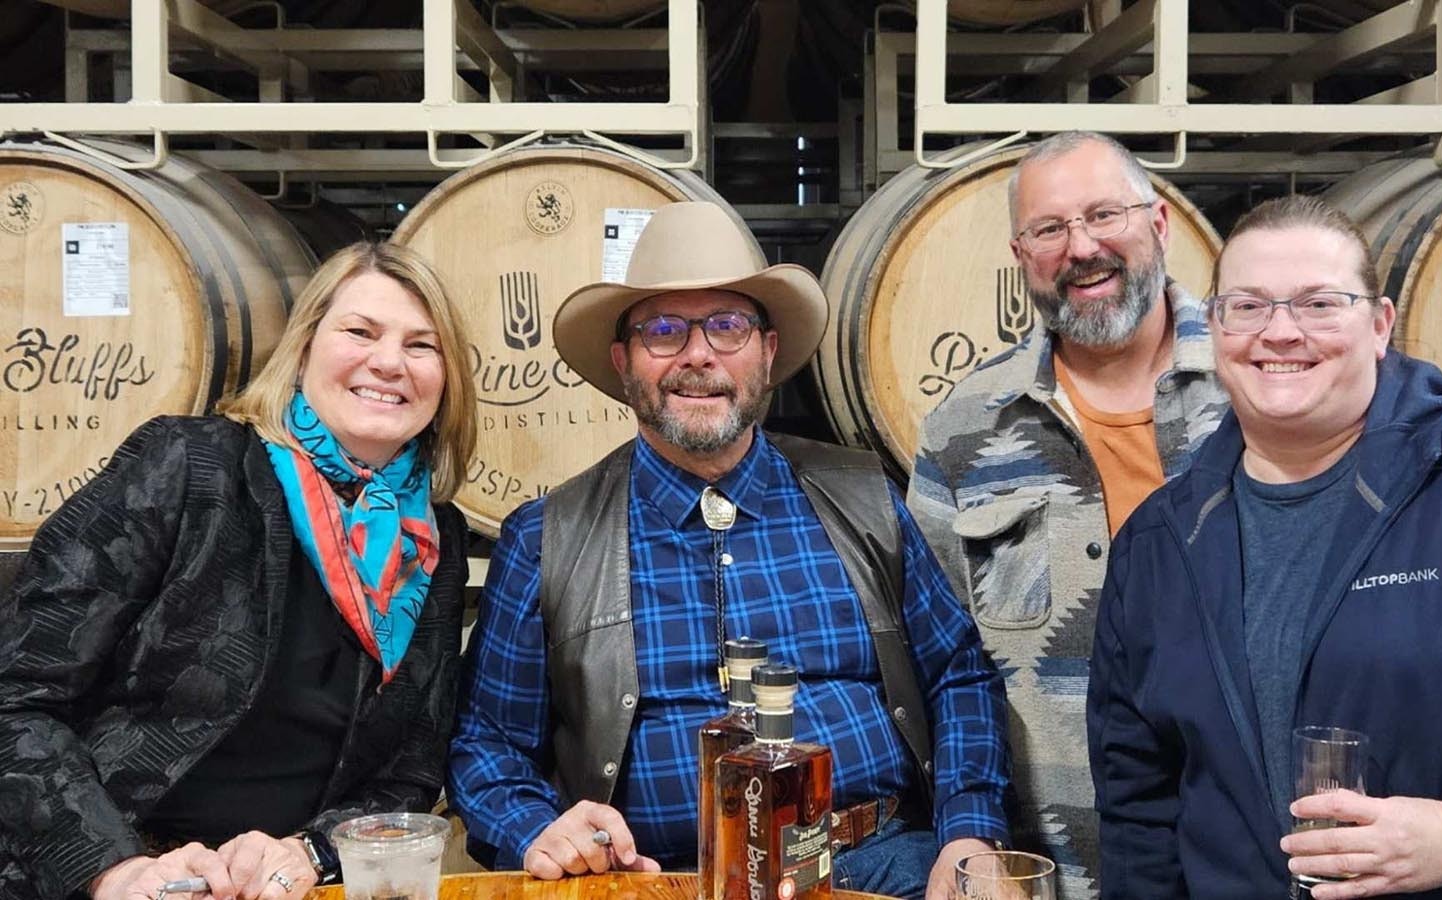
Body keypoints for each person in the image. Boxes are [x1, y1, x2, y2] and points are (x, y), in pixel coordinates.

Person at [449, 201, 1011, 900]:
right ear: (623, 362)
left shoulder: (863, 496)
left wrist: (970, 838)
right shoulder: (547, 536)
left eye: (727, 325)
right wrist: (537, 828)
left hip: (877, 866)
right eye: (662, 330)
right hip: (654, 880)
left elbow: (958, 674)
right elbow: (487, 745)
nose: (698, 354)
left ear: (768, 352)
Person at [1087, 194, 1442, 898]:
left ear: (1381, 324)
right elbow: (1140, 808)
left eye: (1320, 304)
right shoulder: (1160, 542)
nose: (1281, 332)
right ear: (1213, 327)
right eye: (1249, 306)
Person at [0, 242, 478, 900]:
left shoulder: (431, 538)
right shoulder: (188, 466)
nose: (389, 362)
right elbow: (17, 700)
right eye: (360, 332)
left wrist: (312, 851)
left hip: (285, 886)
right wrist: (115, 867)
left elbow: (406, 771)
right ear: (304, 346)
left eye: (422, 345)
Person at [907, 131, 1228, 896]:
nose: (1081, 247)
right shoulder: (965, 428)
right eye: (1049, 229)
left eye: (1103, 215)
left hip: (1253, 854)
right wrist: (970, 832)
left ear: (1159, 224)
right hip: (1053, 872)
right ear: (1022, 257)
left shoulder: (1259, 382)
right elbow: (946, 669)